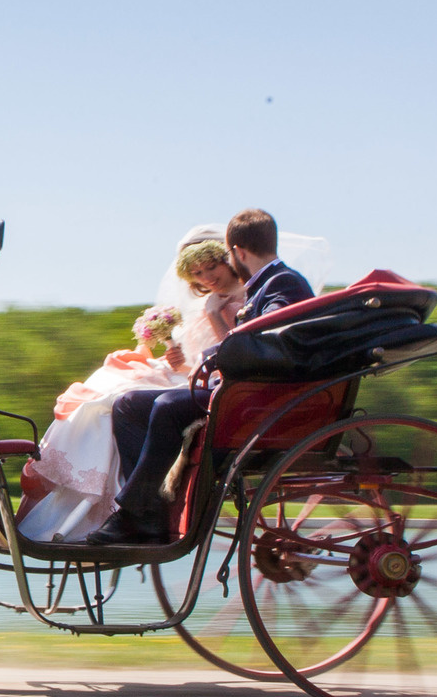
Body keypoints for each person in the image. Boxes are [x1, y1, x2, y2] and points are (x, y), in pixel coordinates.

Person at [84, 207, 313, 547]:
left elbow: (263, 341)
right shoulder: (271, 283)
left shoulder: (282, 283)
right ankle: (151, 514)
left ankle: (132, 513)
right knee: (128, 404)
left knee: (167, 404)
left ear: (237, 253)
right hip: (244, 388)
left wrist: (216, 343)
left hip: (258, 396)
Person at [20, 227, 247, 542]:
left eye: (212, 267)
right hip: (194, 375)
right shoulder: (209, 302)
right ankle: (139, 505)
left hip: (221, 385)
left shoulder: (245, 298)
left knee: (116, 397)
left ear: (228, 259)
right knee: (114, 397)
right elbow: (196, 362)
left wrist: (214, 317)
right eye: (198, 273)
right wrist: (177, 360)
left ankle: (133, 509)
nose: (207, 277)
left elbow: (237, 354)